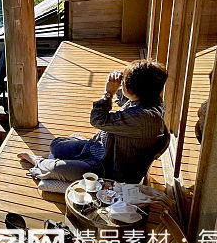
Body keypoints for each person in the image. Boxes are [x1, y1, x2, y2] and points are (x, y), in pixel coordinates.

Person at [19, 59, 169, 184]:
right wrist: (118, 86)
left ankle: (37, 161)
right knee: (56, 146)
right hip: (101, 146)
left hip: (108, 167)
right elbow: (128, 99)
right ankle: (82, 144)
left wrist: (108, 93)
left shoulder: (143, 119)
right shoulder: (151, 99)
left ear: (132, 88)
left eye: (124, 82)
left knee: (54, 169)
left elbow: (98, 119)